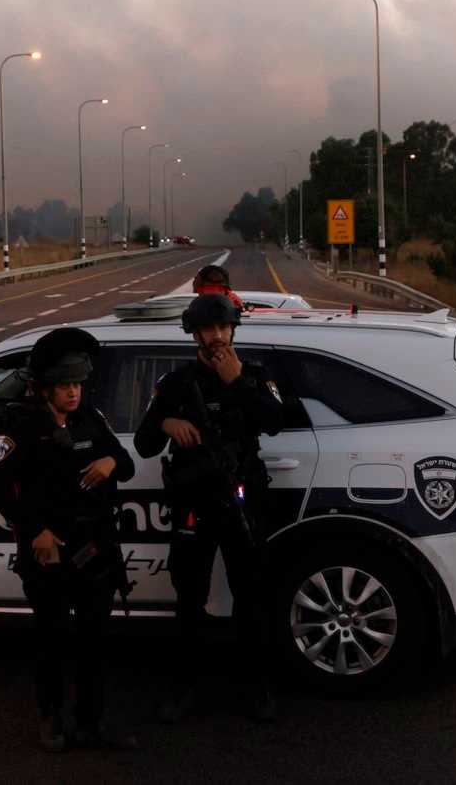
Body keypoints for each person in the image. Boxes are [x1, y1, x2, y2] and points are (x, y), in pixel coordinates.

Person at [0, 327, 139, 753]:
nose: (74, 392)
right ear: (45, 388)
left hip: (96, 550)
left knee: (93, 641)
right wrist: (36, 530)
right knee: (51, 639)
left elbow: (125, 462)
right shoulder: (26, 428)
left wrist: (110, 460)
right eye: (65, 386)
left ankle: (92, 722)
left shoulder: (92, 418)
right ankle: (49, 716)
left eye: (77, 384)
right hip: (49, 553)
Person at [134, 293, 286, 724]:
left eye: (223, 328)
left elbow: (275, 423)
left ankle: (258, 687)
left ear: (233, 331)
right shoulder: (175, 384)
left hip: (242, 506)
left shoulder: (254, 376)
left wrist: (235, 381)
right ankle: (184, 689)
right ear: (194, 334)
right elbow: (145, 443)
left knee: (252, 599)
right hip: (193, 508)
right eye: (208, 330)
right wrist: (166, 423)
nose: (217, 337)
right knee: (188, 601)